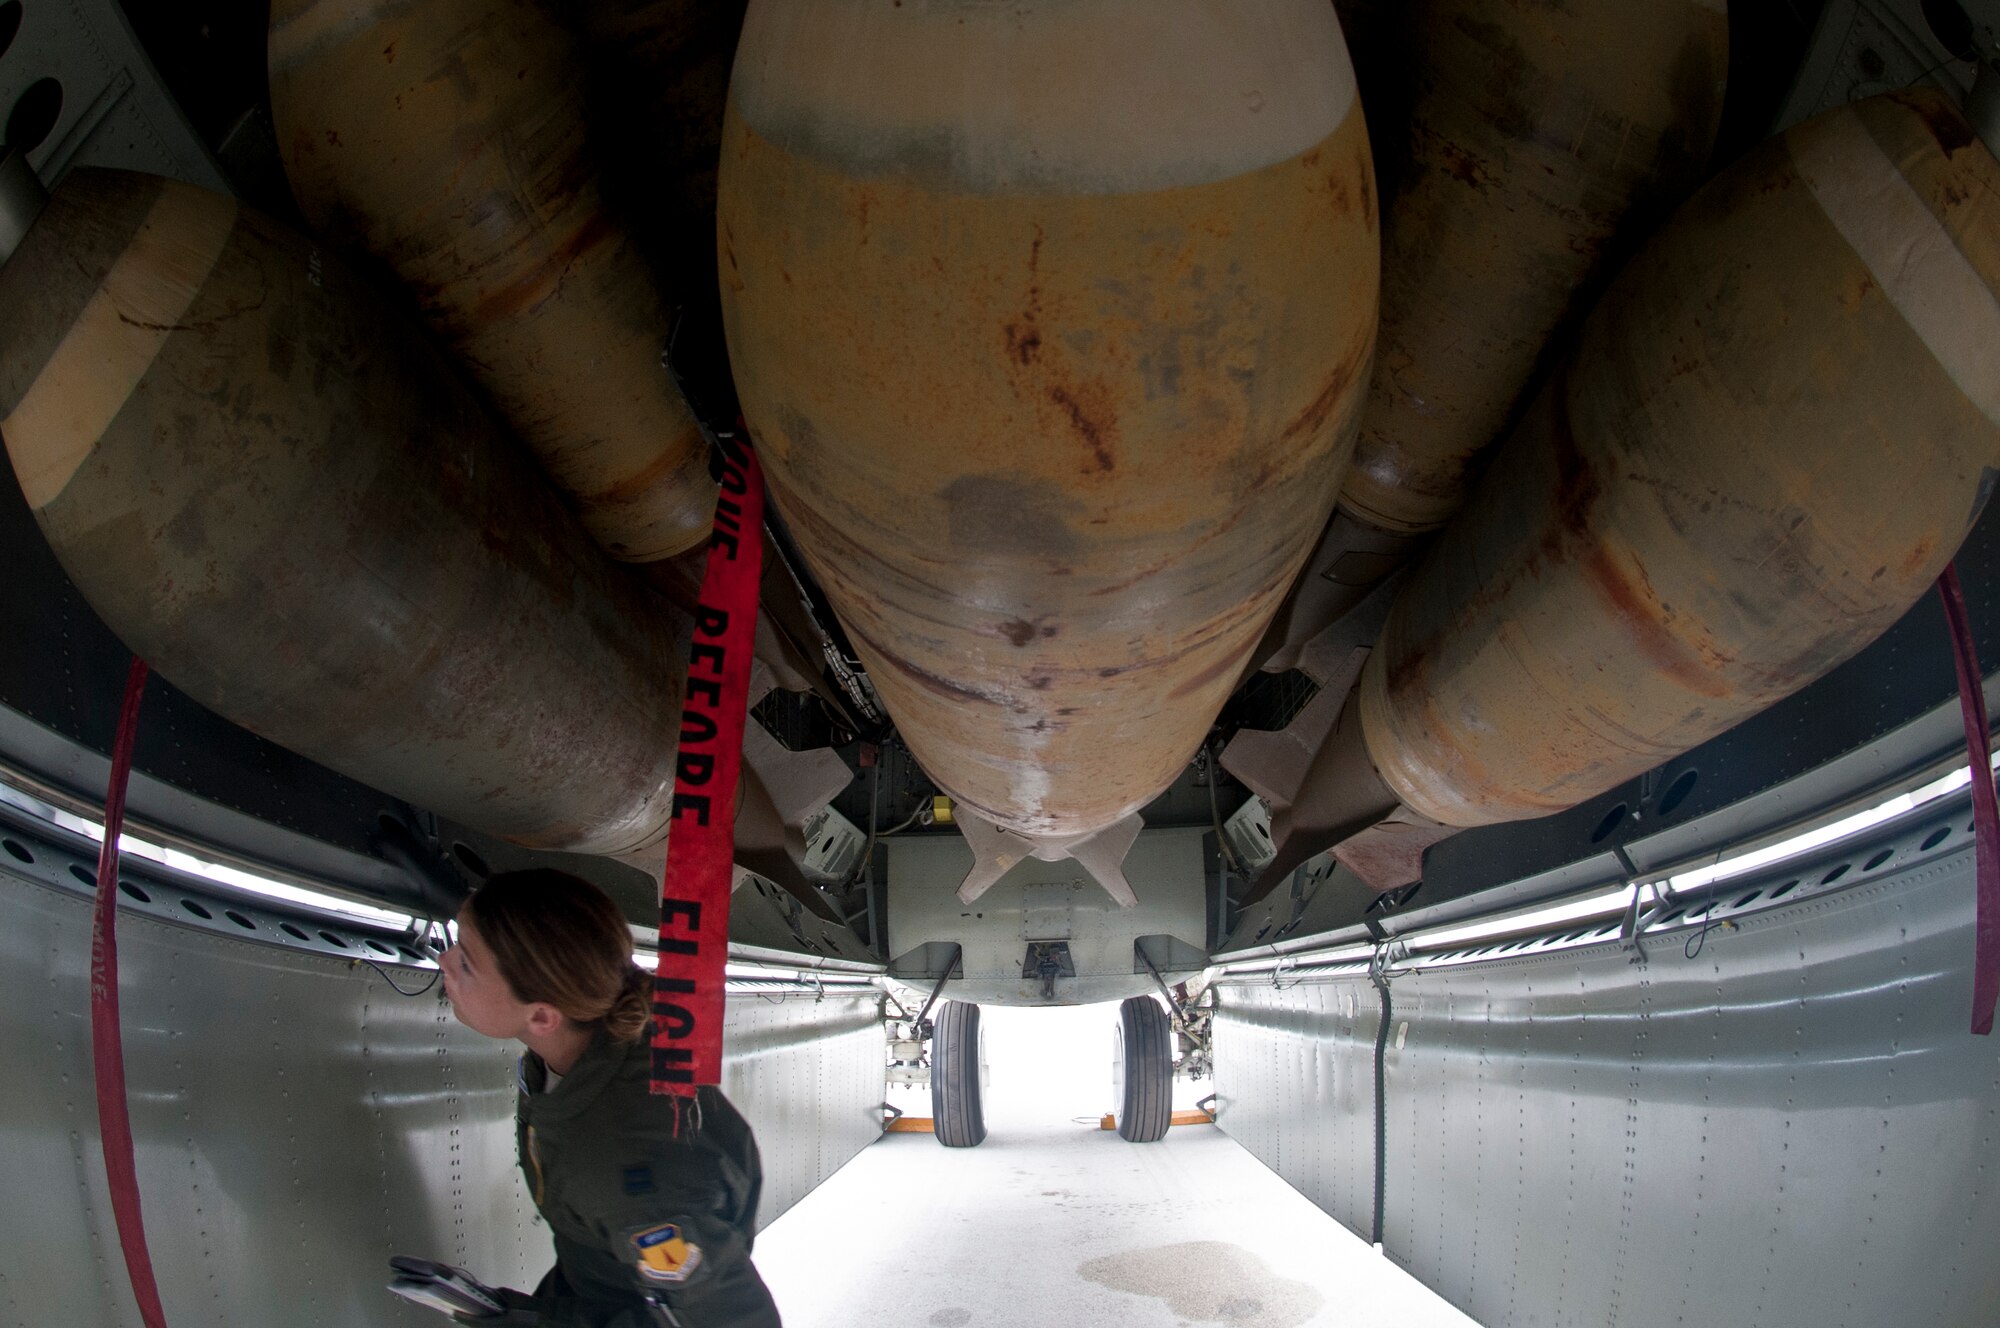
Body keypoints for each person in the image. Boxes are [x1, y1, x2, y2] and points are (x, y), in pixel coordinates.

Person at [436, 867, 782, 1328]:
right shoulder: (601, 1021)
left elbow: (729, 1318)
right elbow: (558, 940)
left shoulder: (635, 1177)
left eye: (465, 962)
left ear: (542, 1017)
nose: (444, 963)